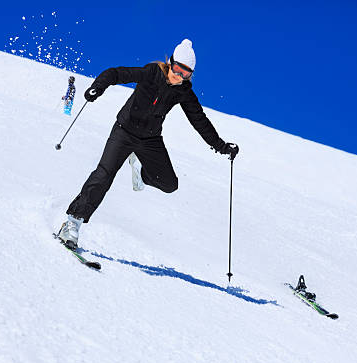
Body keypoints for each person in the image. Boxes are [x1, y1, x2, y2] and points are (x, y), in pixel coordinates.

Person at [57, 39, 239, 249]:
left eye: (186, 73)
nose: (179, 76)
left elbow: (200, 121)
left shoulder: (184, 92)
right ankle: (72, 224)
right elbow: (116, 73)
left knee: (170, 184)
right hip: (124, 131)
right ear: (171, 63)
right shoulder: (152, 72)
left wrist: (222, 146)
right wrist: (97, 87)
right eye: (178, 69)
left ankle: (142, 170)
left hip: (150, 139)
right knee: (104, 174)